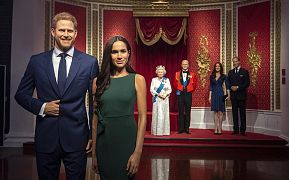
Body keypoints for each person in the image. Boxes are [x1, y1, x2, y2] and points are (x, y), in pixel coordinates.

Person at [14, 12, 99, 180]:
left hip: (77, 138)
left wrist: (91, 135)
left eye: (69, 31)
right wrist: (43, 107)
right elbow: (21, 94)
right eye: (61, 30)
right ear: (53, 32)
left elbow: (95, 102)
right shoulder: (36, 62)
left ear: (75, 33)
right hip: (46, 137)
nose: (66, 34)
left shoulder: (90, 62)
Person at [91, 36, 147, 180]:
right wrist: (94, 155)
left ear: (129, 53)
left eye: (123, 51)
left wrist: (137, 152)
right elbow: (95, 119)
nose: (120, 56)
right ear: (109, 55)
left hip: (127, 141)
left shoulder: (137, 79)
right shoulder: (98, 82)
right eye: (115, 52)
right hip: (104, 143)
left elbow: (142, 117)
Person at [227, 57, 250, 136]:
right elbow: (228, 83)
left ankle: (243, 130)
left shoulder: (244, 71)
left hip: (241, 96)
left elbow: (247, 83)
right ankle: (236, 129)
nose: (235, 63)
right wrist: (231, 87)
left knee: (242, 113)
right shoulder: (230, 72)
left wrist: (238, 87)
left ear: (239, 62)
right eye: (233, 62)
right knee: (234, 113)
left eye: (236, 61)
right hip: (233, 96)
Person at [174, 60, 197, 134]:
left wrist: (190, 90)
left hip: (188, 94)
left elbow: (195, 84)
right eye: (183, 64)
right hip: (180, 94)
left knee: (187, 111)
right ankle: (181, 129)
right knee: (180, 111)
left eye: (186, 64)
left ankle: (187, 128)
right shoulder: (177, 74)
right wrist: (179, 89)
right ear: (181, 65)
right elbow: (175, 84)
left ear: (188, 65)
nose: (184, 65)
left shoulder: (192, 74)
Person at [209, 62, 230, 135]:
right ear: (214, 67)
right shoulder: (212, 76)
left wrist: (228, 95)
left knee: (220, 112)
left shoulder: (224, 76)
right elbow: (211, 87)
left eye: (218, 66)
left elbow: (227, 86)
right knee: (215, 112)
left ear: (220, 67)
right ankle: (215, 128)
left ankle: (220, 128)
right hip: (214, 94)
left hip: (221, 94)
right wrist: (209, 96)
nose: (217, 67)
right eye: (216, 66)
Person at [150, 65, 172, 136]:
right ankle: (156, 131)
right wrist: (159, 94)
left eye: (161, 72)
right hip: (157, 99)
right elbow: (151, 89)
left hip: (164, 99)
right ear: (157, 72)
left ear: (164, 72)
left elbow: (169, 89)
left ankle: (165, 131)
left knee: (164, 114)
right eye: (159, 72)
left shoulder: (166, 80)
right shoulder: (154, 80)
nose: (160, 73)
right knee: (158, 114)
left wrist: (165, 94)